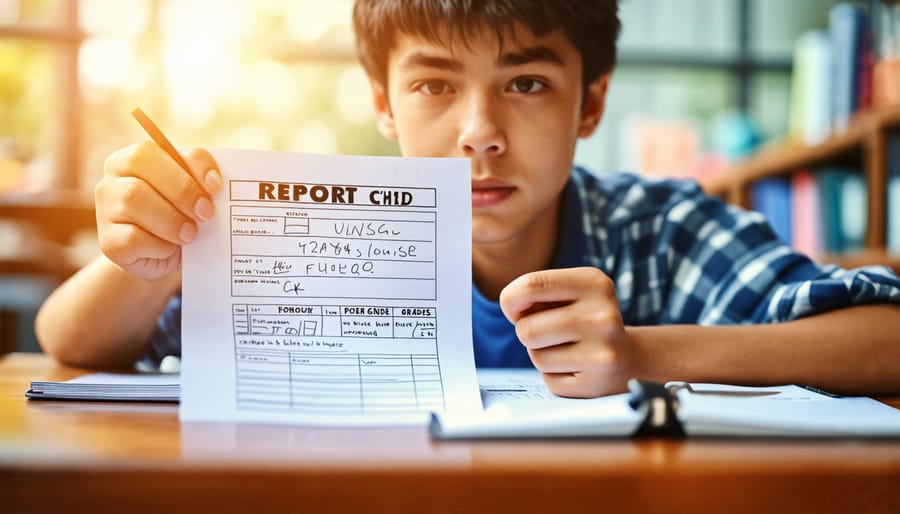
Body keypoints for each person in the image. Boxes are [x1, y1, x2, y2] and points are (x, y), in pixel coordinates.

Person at [35, 0, 900, 398]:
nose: (479, 133)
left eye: (525, 82)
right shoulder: (312, 232)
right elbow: (70, 341)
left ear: (589, 102)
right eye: (435, 86)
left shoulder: (661, 229)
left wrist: (640, 352)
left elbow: (885, 341)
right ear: (382, 104)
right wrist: (146, 255)